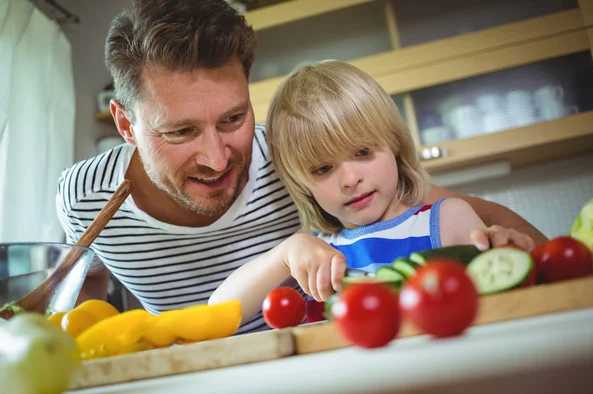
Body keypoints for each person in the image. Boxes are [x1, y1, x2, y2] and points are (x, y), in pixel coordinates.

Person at [56, 0, 546, 334]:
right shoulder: (83, 200)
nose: (216, 156)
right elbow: (84, 296)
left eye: (233, 118)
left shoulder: (302, 159)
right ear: (125, 124)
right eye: (180, 132)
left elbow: (474, 219)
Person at [209, 60, 535, 323]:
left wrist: (510, 250)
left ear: (394, 144)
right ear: (303, 186)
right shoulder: (318, 254)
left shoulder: (448, 218)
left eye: (363, 152)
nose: (349, 179)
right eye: (323, 169)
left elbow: (504, 294)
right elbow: (220, 309)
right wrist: (284, 255)